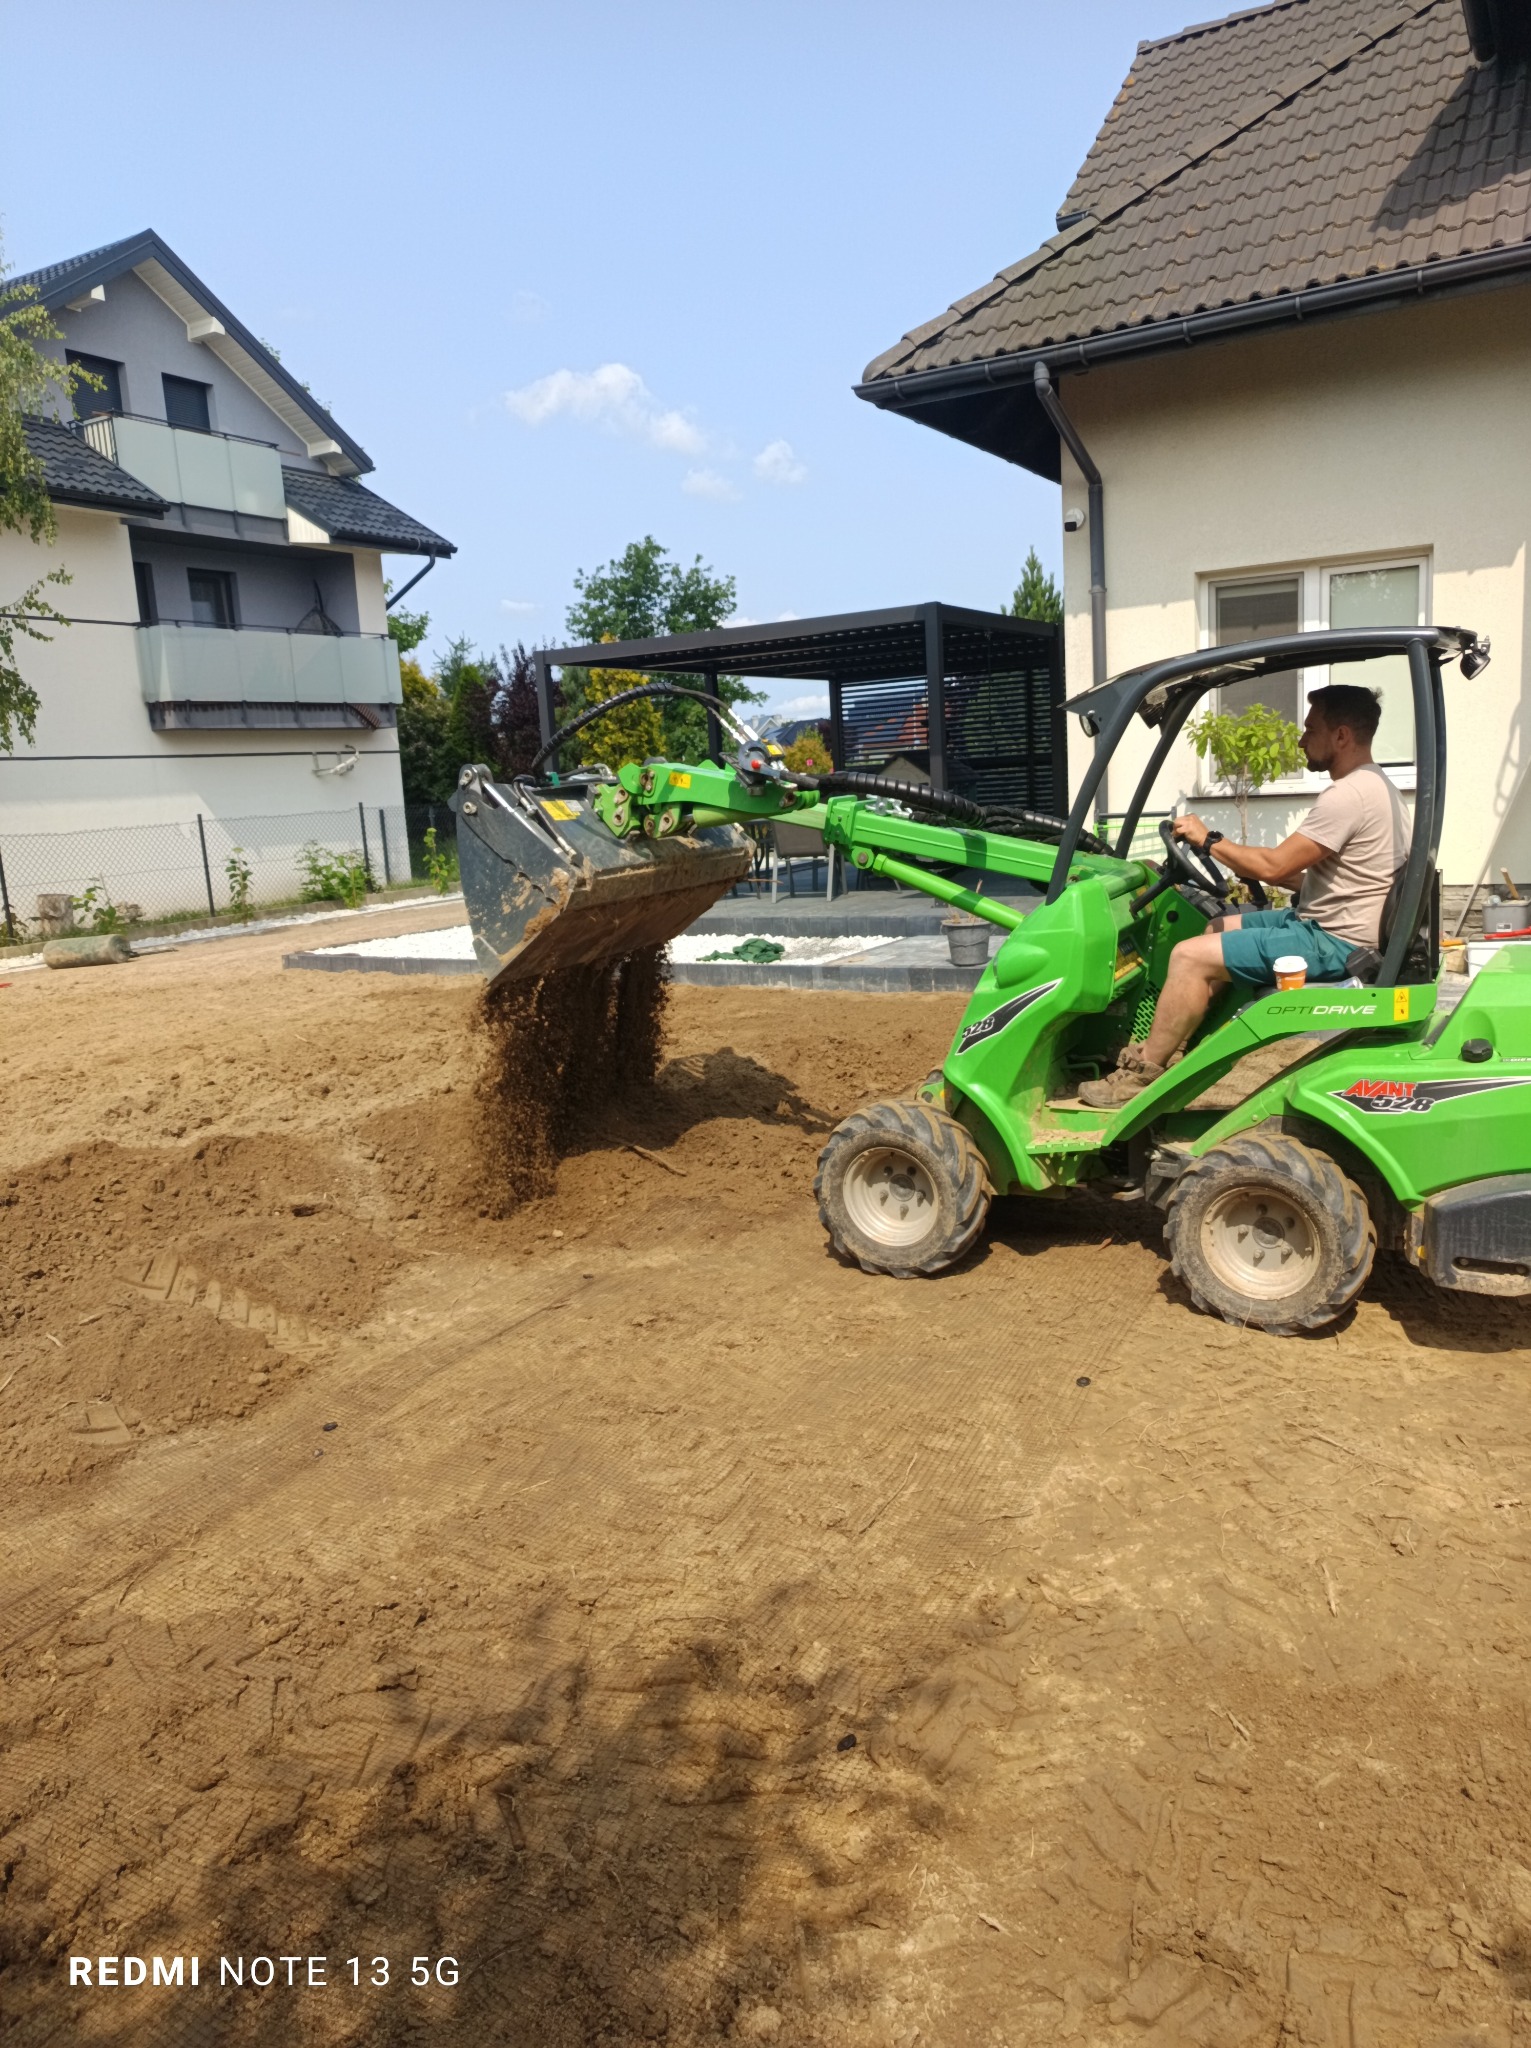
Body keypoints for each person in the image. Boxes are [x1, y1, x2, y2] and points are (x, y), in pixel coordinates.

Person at [1078, 682, 1410, 1108]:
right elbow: (1340, 878)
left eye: (1311, 729)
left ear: (1341, 736)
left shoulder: (1349, 796)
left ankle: (1139, 1078)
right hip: (1330, 923)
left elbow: (1273, 866)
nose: (1301, 738)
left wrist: (1209, 839)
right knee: (1216, 925)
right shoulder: (1376, 786)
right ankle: (1179, 1041)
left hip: (1333, 941)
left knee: (1186, 956)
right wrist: (1226, 857)